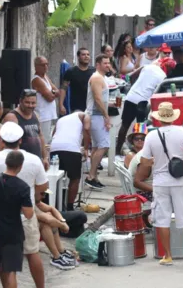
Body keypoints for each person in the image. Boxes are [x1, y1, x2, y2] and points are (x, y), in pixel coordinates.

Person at [138, 102, 183, 265]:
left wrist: (154, 162)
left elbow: (144, 162)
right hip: (180, 181)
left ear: (158, 118)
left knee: (162, 219)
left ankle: (167, 256)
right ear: (173, 116)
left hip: (160, 182)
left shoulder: (151, 135)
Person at [0, 122, 48, 288]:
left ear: (1, 140)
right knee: (32, 253)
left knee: (7, 263)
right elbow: (43, 186)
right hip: (26, 214)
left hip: (1, 218)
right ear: (20, 140)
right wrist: (35, 196)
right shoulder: (33, 159)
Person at [0, 150, 34, 288]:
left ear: (6, 163)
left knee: (1, 268)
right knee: (10, 269)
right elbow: (28, 213)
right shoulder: (22, 187)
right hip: (12, 233)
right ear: (20, 166)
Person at [116, 60, 167, 155]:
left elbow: (131, 76)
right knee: (141, 128)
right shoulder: (163, 76)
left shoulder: (147, 66)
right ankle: (140, 152)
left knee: (125, 125)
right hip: (143, 101)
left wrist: (134, 87)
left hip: (131, 96)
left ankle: (117, 150)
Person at [50, 112, 90, 210]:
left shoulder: (61, 119)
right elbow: (87, 128)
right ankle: (69, 206)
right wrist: (85, 148)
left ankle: (54, 203)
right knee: (74, 179)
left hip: (55, 148)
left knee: (56, 177)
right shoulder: (84, 115)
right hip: (72, 149)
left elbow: (53, 134)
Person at [0, 90, 48, 170]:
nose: (30, 105)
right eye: (27, 102)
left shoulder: (35, 115)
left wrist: (45, 157)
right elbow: (7, 141)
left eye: (33, 103)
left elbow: (40, 136)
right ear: (20, 101)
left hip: (36, 161)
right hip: (20, 163)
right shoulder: (12, 117)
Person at [85, 54, 111, 189]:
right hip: (96, 116)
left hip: (98, 115)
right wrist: (106, 116)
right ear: (98, 64)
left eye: (108, 63)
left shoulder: (103, 78)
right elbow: (97, 99)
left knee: (96, 147)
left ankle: (94, 176)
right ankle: (90, 176)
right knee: (103, 145)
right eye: (105, 63)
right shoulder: (96, 78)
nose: (108, 65)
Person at [35, 193, 76, 270]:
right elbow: (47, 219)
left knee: (50, 215)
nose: (44, 197)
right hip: (19, 233)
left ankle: (60, 251)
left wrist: (63, 221)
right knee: (45, 223)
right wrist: (63, 225)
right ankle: (56, 257)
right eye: (42, 194)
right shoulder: (27, 200)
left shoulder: (35, 200)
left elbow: (52, 209)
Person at [31, 56, 59, 144]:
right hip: (42, 115)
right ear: (36, 66)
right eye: (43, 65)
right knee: (44, 141)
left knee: (49, 139)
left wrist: (52, 92)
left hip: (49, 114)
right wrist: (52, 93)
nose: (45, 67)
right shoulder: (36, 79)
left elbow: (57, 92)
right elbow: (50, 98)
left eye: (47, 64)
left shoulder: (45, 77)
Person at [60, 48, 95, 115]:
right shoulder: (71, 71)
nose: (86, 56)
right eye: (83, 54)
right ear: (78, 57)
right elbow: (63, 88)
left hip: (92, 106)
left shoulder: (94, 71)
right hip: (76, 107)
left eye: (88, 54)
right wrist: (61, 105)